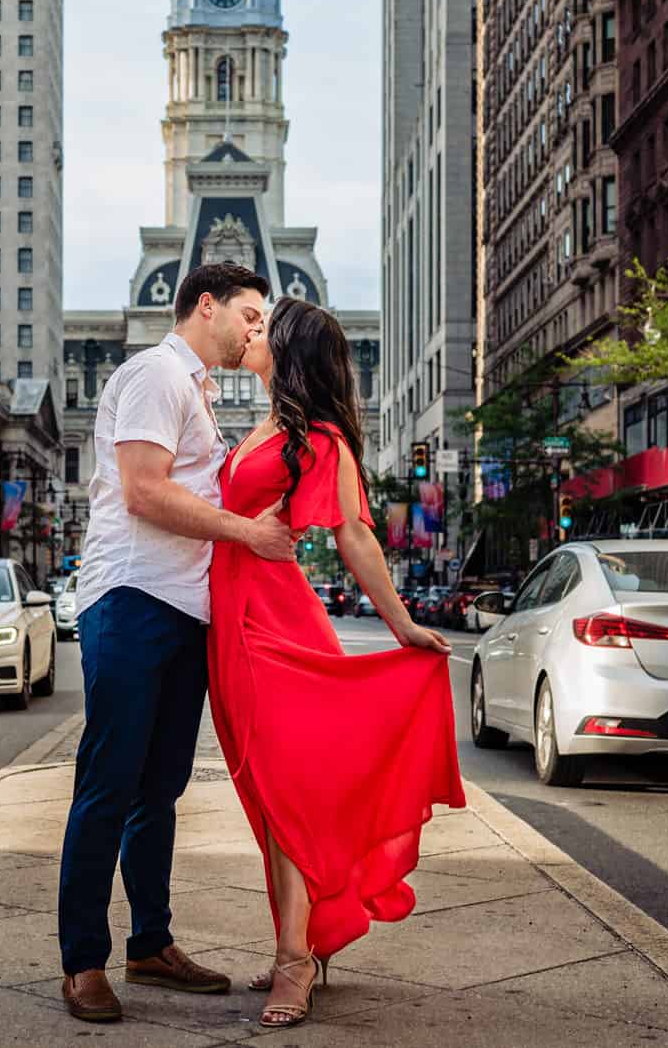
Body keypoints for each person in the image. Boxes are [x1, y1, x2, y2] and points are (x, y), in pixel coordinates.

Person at [210, 295, 464, 1028]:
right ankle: (304, 939)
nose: (251, 332)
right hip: (231, 627)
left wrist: (403, 621)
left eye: (264, 326)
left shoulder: (316, 435)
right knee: (265, 797)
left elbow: (354, 534)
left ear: (288, 350)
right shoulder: (264, 426)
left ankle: (295, 959)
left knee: (287, 797)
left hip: (274, 630)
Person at [55, 263, 299, 1024]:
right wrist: (247, 532)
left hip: (180, 609)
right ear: (206, 305)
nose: (256, 329)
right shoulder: (157, 373)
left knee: (159, 787)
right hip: (131, 599)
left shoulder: (193, 388)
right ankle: (83, 963)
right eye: (249, 314)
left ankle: (150, 944)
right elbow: (143, 490)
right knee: (109, 780)